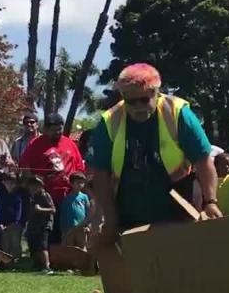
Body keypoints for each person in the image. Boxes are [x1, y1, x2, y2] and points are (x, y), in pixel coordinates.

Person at [90, 63, 220, 249]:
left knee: (180, 269)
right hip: (130, 211)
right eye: (131, 101)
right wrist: (110, 218)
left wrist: (211, 201)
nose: (137, 107)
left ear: (156, 93)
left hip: (180, 208)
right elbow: (100, 173)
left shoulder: (178, 113)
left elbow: (203, 159)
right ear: (123, 97)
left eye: (144, 100)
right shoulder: (109, 122)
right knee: (138, 274)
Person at [19, 112, 86, 244]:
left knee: (68, 226)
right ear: (46, 129)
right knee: (47, 230)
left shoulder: (70, 144)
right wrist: (34, 184)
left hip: (68, 195)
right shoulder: (35, 144)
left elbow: (79, 168)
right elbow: (25, 166)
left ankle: (67, 253)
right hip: (46, 196)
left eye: (60, 129)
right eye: (54, 130)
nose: (57, 133)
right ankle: (48, 255)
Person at [24, 175, 54, 273]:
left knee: (42, 246)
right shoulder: (32, 197)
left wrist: (41, 209)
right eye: (31, 185)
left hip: (43, 225)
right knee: (33, 245)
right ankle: (37, 264)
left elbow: (53, 209)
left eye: (36, 185)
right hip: (33, 225)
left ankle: (47, 266)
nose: (33, 187)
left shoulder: (44, 195)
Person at [0, 170, 24, 260]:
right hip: (3, 224)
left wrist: (15, 222)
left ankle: (16, 261)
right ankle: (6, 262)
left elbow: (18, 211)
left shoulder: (18, 196)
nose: (10, 185)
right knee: (5, 243)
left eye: (12, 183)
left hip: (15, 224)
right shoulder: (1, 195)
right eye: (7, 183)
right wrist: (0, 223)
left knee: (15, 243)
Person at [58, 171, 91, 245]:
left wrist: (88, 226)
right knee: (70, 248)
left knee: (82, 246)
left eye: (82, 183)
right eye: (78, 182)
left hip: (81, 227)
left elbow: (88, 212)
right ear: (72, 183)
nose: (80, 185)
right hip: (70, 228)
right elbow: (63, 215)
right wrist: (63, 231)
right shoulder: (66, 198)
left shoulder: (84, 197)